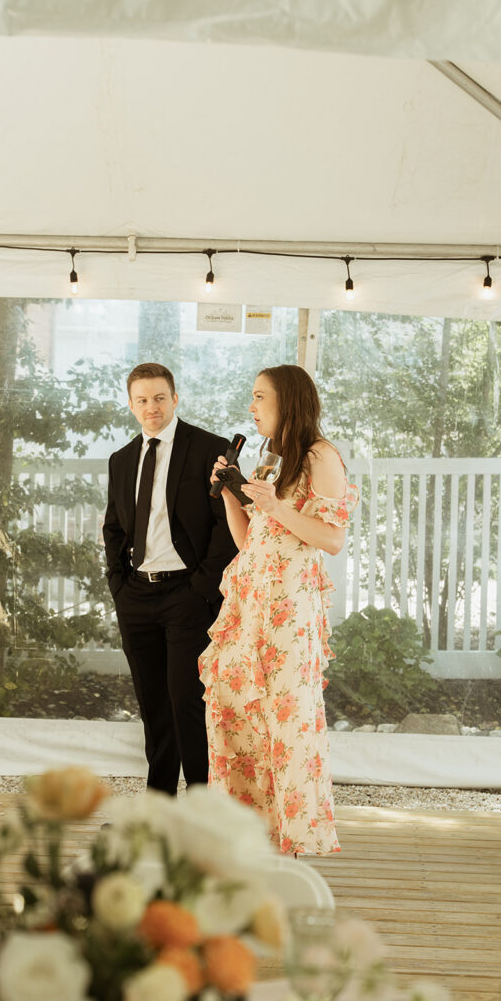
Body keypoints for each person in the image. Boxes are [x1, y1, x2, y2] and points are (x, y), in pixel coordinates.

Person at [199, 364, 358, 855]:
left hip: (289, 610)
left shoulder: (320, 456)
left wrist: (274, 507)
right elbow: (250, 541)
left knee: (286, 722)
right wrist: (232, 495)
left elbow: (332, 538)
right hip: (249, 605)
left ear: (288, 400)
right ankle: (247, 836)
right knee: (239, 714)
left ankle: (292, 841)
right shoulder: (271, 460)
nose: (251, 406)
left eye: (259, 396)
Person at [103, 362, 236, 795]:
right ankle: (159, 806)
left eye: (159, 397)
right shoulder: (122, 460)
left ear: (175, 399)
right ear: (130, 405)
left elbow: (228, 525)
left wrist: (202, 588)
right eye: (142, 400)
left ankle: (200, 809)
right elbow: (113, 528)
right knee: (154, 707)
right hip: (136, 595)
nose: (152, 407)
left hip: (187, 595)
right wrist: (119, 585)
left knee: (187, 703)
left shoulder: (210, 449)